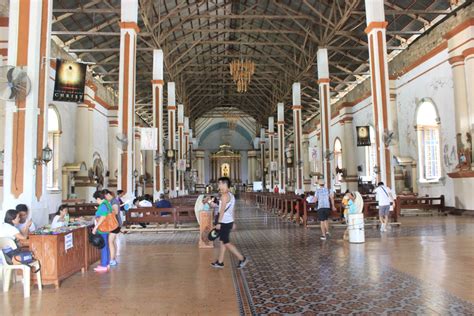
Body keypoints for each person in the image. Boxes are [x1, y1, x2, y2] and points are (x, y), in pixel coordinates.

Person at [211, 177, 248, 269]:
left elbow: (222, 210)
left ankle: (242, 258)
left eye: (220, 183)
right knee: (222, 241)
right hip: (228, 221)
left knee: (226, 242)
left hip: (224, 222)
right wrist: (233, 221)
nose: (218, 185)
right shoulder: (230, 195)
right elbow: (231, 209)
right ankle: (220, 262)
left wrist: (219, 223)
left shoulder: (224, 196)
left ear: (224, 184)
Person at [92, 190, 112, 272]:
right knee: (106, 246)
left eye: (96, 200)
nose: (96, 201)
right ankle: (107, 263)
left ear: (98, 198)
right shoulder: (107, 203)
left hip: (103, 229)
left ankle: (103, 265)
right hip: (107, 228)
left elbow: (103, 217)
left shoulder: (103, 205)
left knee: (103, 246)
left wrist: (95, 227)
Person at [105, 189, 121, 266]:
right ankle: (113, 258)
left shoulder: (114, 201)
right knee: (113, 241)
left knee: (110, 242)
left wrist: (106, 211)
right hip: (115, 224)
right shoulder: (112, 201)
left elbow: (116, 212)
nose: (105, 199)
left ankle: (112, 260)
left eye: (105, 197)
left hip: (115, 224)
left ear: (108, 194)